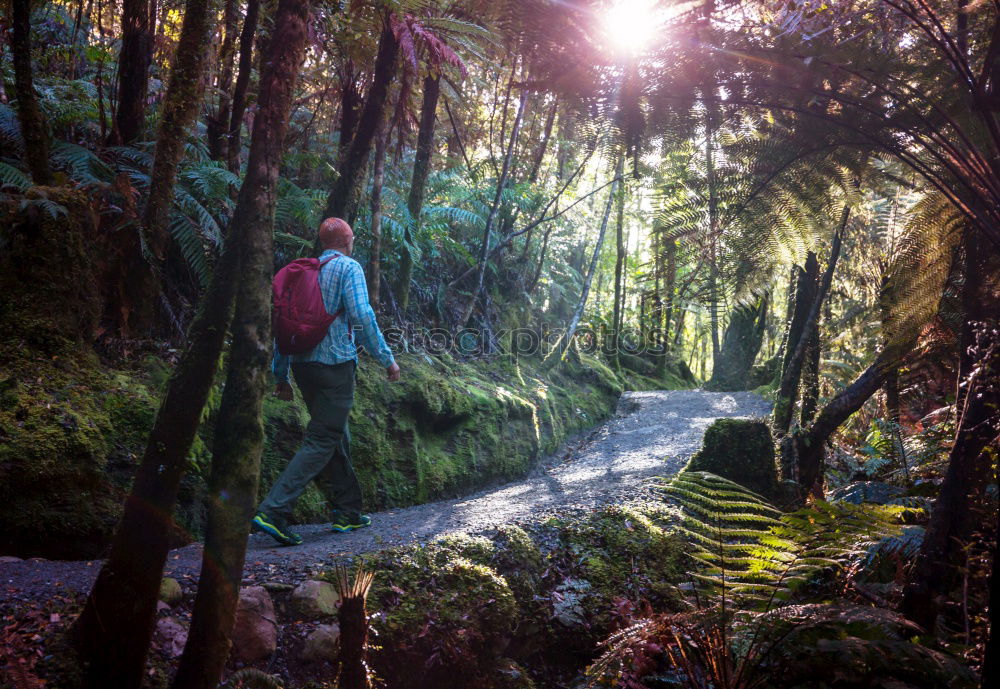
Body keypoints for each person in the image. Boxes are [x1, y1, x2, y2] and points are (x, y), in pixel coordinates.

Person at [252, 217, 401, 546]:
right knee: (322, 438)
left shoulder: (303, 270)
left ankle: (347, 511)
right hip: (335, 365)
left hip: (303, 366)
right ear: (349, 241)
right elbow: (362, 316)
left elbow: (282, 322)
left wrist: (281, 373)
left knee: (336, 434)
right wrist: (386, 358)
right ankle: (273, 512)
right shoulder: (349, 268)